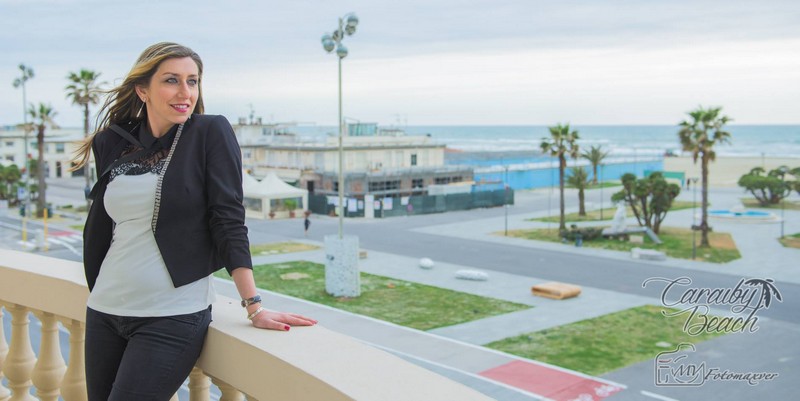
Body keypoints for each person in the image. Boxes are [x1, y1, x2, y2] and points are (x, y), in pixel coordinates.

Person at [72, 42, 316, 401]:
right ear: (143, 89)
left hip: (171, 316)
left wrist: (254, 305)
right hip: (105, 309)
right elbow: (107, 225)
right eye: (172, 80)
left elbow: (228, 218)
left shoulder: (209, 133)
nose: (185, 92)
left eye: (193, 81)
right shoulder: (113, 142)